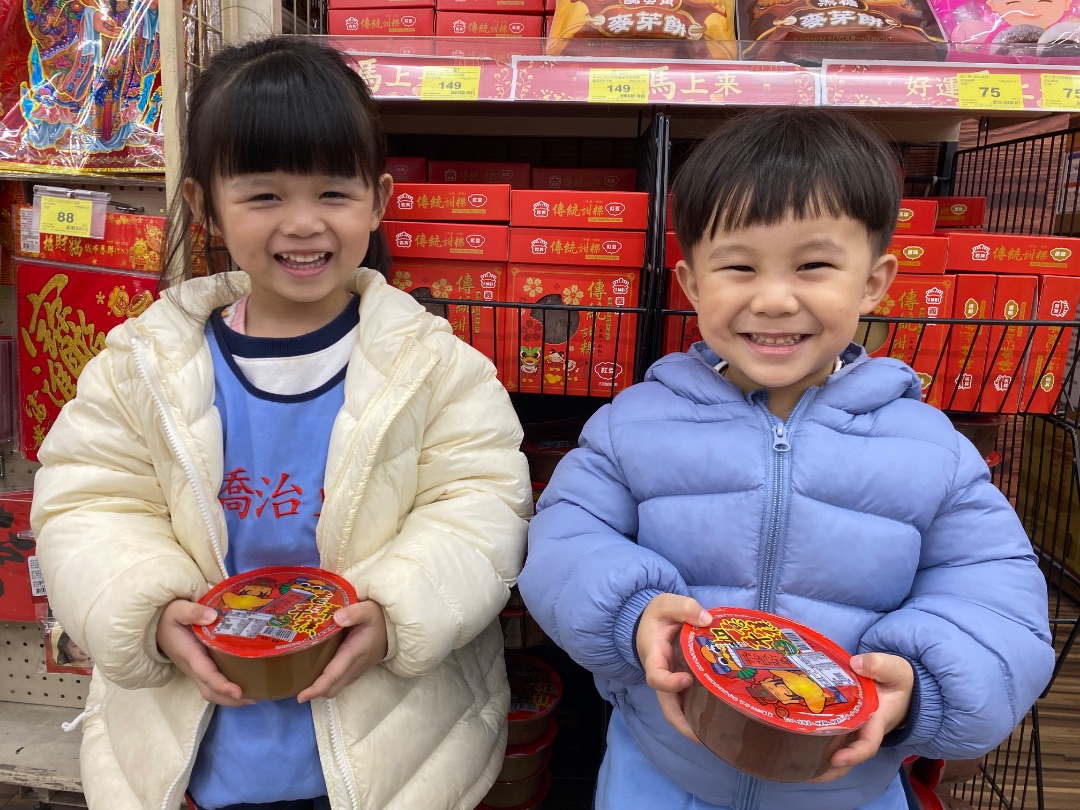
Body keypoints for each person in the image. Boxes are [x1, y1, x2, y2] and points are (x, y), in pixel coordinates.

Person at [31, 36, 532, 810]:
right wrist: (147, 611)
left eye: (333, 193)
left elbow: (480, 507)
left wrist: (398, 612)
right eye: (264, 196)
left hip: (386, 746)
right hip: (194, 745)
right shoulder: (143, 367)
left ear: (379, 200)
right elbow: (88, 505)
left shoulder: (436, 368)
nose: (303, 224)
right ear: (204, 204)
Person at [517, 108, 1055, 810]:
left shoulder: (932, 451)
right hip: (662, 771)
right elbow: (562, 540)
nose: (773, 300)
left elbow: (998, 600)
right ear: (691, 282)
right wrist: (632, 614)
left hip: (849, 787)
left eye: (814, 266)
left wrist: (919, 688)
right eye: (739, 266)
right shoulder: (632, 427)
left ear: (874, 281)